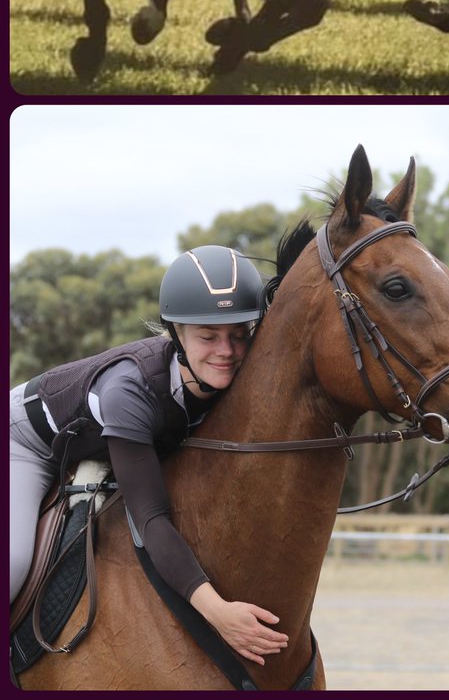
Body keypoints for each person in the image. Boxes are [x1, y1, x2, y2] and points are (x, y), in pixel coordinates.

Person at [9, 247, 289, 666]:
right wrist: (218, 613)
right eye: (208, 337)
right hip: (25, 442)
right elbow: (151, 519)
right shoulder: (130, 392)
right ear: (176, 333)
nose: (226, 351)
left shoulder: (228, 377)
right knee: (12, 564)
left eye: (238, 334)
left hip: (95, 439)